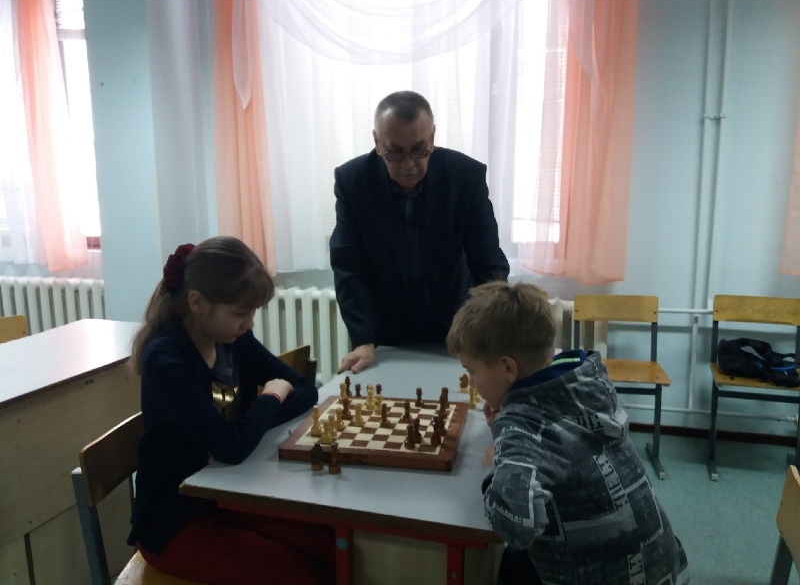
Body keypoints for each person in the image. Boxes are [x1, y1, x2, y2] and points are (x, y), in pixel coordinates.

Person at [446, 282, 690, 585]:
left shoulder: (523, 427)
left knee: (510, 559)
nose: (471, 381)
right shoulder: (587, 383)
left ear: (508, 367)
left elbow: (515, 527)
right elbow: (555, 441)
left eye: (471, 371)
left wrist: (496, 464)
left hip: (608, 577)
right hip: (664, 566)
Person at [127, 236, 335, 585]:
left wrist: (249, 423)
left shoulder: (233, 340)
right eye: (241, 312)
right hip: (176, 520)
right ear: (198, 303)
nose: (250, 323)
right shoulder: (167, 360)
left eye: (253, 312)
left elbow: (303, 390)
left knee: (336, 548)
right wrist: (268, 401)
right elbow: (232, 446)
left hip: (230, 496)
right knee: (300, 575)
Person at [330, 90, 510, 374]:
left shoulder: (465, 177)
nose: (408, 163)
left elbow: (488, 262)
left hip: (455, 324)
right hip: (385, 331)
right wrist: (364, 339)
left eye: (418, 149)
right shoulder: (353, 182)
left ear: (432, 138)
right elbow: (349, 267)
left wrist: (486, 331)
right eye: (395, 152)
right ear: (377, 143)